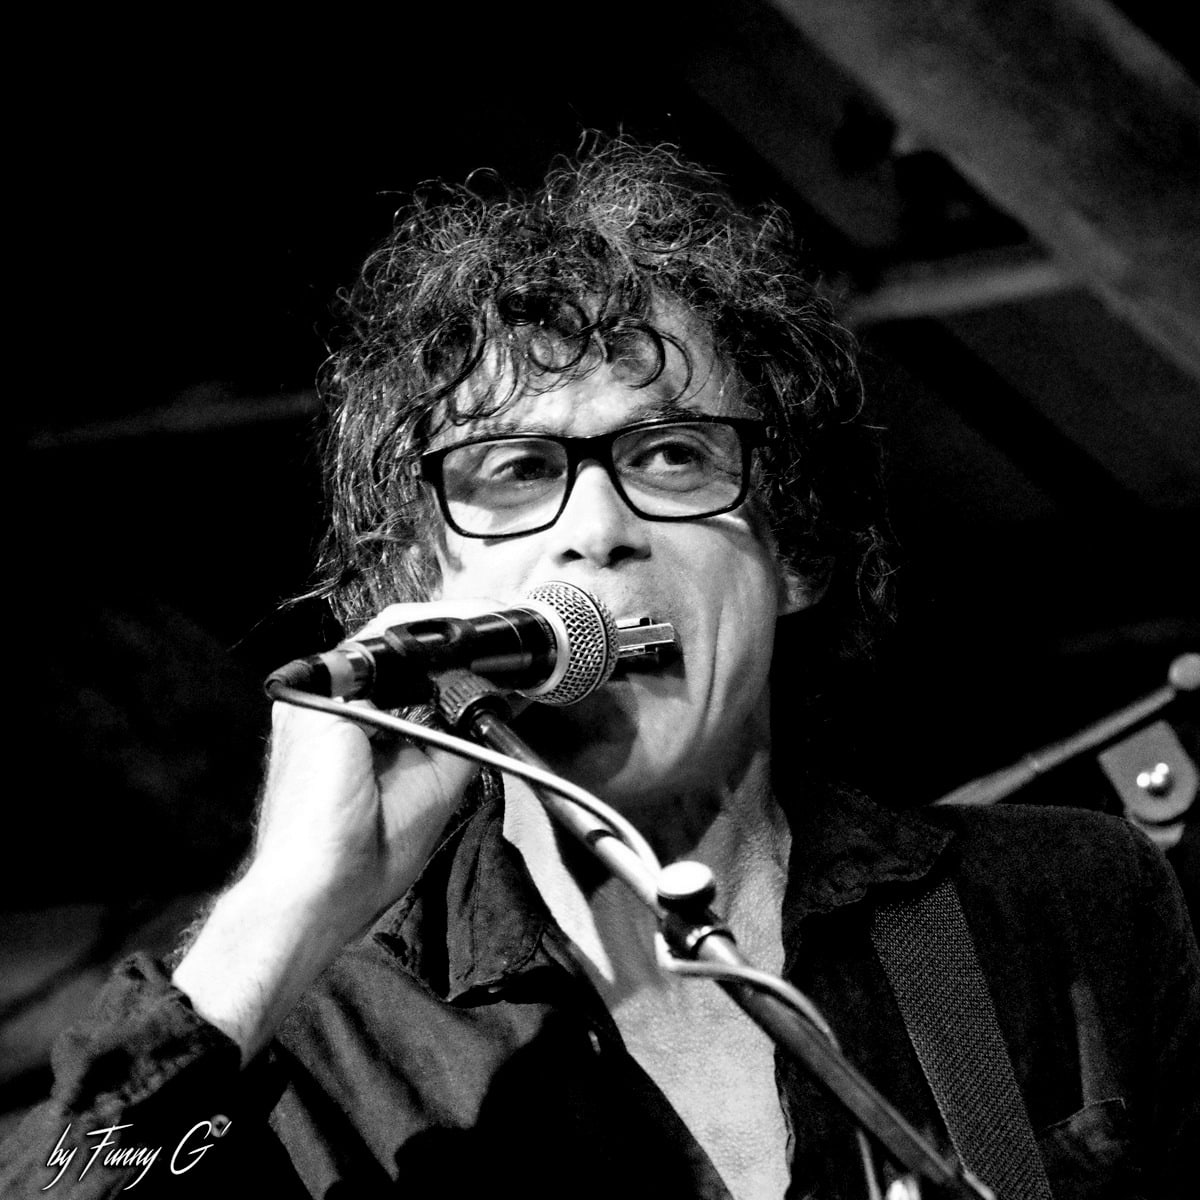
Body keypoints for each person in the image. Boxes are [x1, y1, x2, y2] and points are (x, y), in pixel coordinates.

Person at [3, 138, 1197, 1199]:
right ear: (419, 581)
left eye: (671, 454)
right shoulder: (313, 1055)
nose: (596, 529)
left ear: (795, 551)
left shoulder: (1055, 908)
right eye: (516, 471)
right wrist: (276, 918)